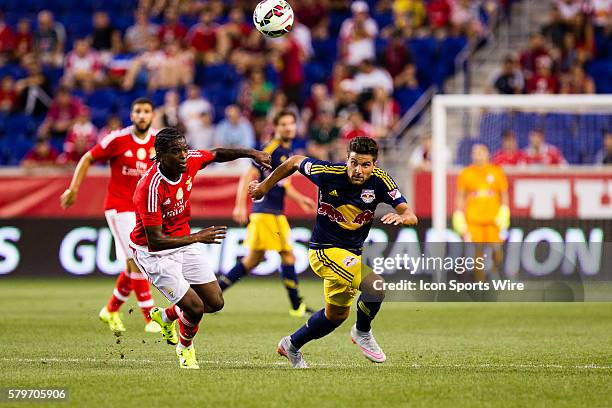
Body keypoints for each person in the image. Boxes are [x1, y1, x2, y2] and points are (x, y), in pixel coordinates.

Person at [249, 137, 418, 368]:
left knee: (336, 316)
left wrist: (403, 217)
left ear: (374, 165)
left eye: (365, 164)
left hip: (350, 254)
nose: (358, 170)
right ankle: (362, 332)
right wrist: (263, 187)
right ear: (346, 159)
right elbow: (294, 162)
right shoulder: (328, 172)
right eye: (353, 162)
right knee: (375, 286)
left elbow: (410, 214)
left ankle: (291, 344)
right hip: (324, 251)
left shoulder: (381, 181)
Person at [130, 128, 271, 369]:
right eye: (176, 152)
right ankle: (185, 348)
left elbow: (216, 154)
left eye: (185, 149)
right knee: (194, 307)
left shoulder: (190, 160)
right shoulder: (150, 188)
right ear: (161, 155)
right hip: (154, 254)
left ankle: (166, 316)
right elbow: (155, 240)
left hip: (184, 240)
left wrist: (252, 153)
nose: (184, 155)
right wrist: (197, 237)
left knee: (215, 303)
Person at [60, 98, 159, 334]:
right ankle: (150, 319)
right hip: (119, 208)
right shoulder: (117, 139)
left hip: (143, 211)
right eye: (138, 111)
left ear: (153, 115)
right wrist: (73, 189)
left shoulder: (158, 141)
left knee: (130, 263)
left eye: (146, 111)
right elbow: (87, 158)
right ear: (131, 115)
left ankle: (110, 309)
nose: (142, 115)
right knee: (137, 260)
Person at [219, 111, 317, 317]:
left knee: (252, 260)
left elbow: (283, 184)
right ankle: (296, 305)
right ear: (276, 127)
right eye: (284, 124)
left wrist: (301, 200)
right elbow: (249, 174)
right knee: (287, 255)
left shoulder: (286, 151)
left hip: (272, 213)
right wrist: (239, 205)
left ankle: (212, 295)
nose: (289, 127)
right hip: (266, 213)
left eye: (292, 123)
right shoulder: (270, 150)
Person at [452, 144, 510, 281]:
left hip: (493, 219)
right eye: (474, 152)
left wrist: (505, 211)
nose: (477, 155)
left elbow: (504, 194)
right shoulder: (466, 173)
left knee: (497, 249)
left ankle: (494, 271)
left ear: (487, 154)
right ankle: (480, 282)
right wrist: (458, 214)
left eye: (480, 152)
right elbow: (460, 195)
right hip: (474, 219)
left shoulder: (496, 172)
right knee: (476, 252)